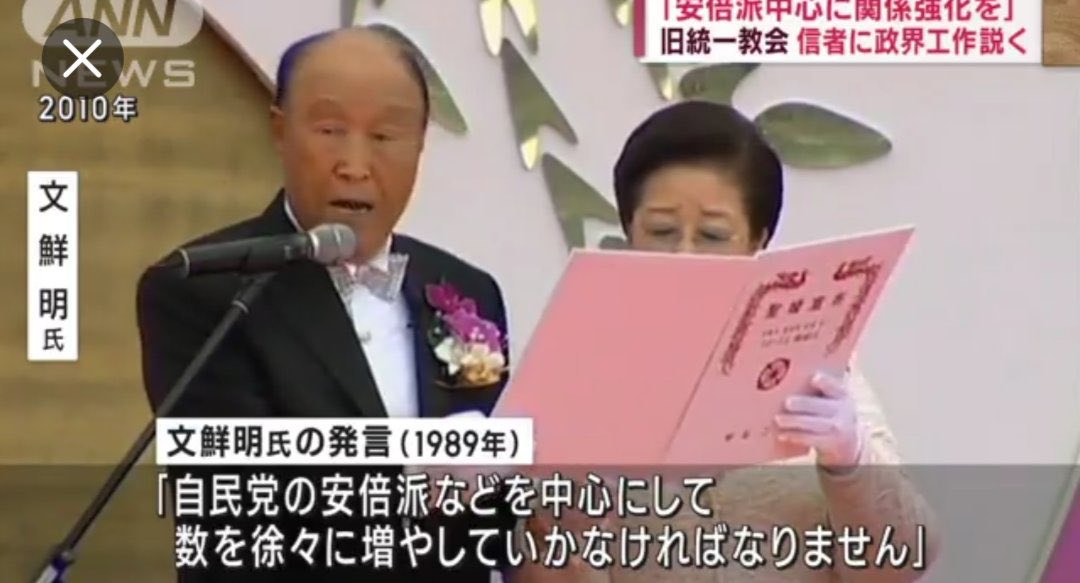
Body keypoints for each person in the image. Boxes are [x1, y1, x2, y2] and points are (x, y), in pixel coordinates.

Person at [137, 27, 516, 581]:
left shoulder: (466, 290)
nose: (355, 164)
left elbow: (490, 513)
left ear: (419, 145)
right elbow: (238, 505)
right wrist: (421, 473)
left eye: (384, 135)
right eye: (331, 130)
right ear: (280, 131)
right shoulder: (203, 289)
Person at [522, 101, 942, 583]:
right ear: (629, 229)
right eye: (661, 231)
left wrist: (850, 461)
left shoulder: (816, 356)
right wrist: (560, 520)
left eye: (713, 235)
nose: (684, 255)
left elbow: (901, 562)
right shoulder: (582, 362)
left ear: (757, 240)